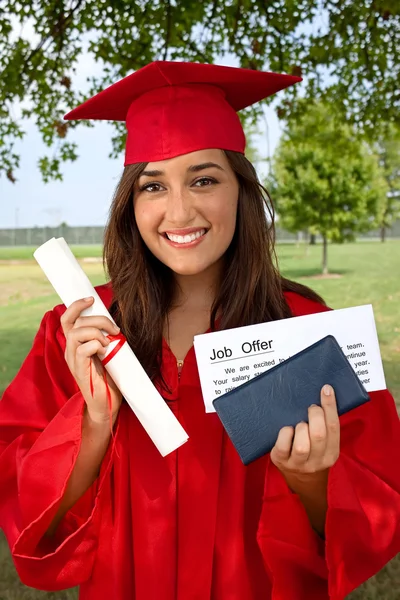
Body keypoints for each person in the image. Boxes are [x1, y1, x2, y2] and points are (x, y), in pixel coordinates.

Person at [0, 61, 399, 600]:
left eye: (204, 179)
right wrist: (94, 423)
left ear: (241, 189)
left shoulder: (305, 329)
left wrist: (310, 476)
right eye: (153, 186)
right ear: (130, 204)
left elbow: (375, 513)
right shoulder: (81, 332)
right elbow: (28, 507)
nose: (179, 211)